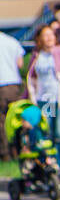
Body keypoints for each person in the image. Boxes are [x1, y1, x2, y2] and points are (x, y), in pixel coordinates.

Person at [26, 25, 60, 177]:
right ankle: (51, 168)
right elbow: (31, 79)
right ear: (39, 39)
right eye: (45, 35)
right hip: (45, 100)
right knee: (47, 135)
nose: (49, 38)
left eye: (51, 35)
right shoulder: (37, 56)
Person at [0, 29, 24, 164]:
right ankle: (19, 149)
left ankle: (5, 154)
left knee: (2, 120)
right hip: (14, 84)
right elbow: (20, 64)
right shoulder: (12, 41)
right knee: (16, 117)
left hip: (1, 83)